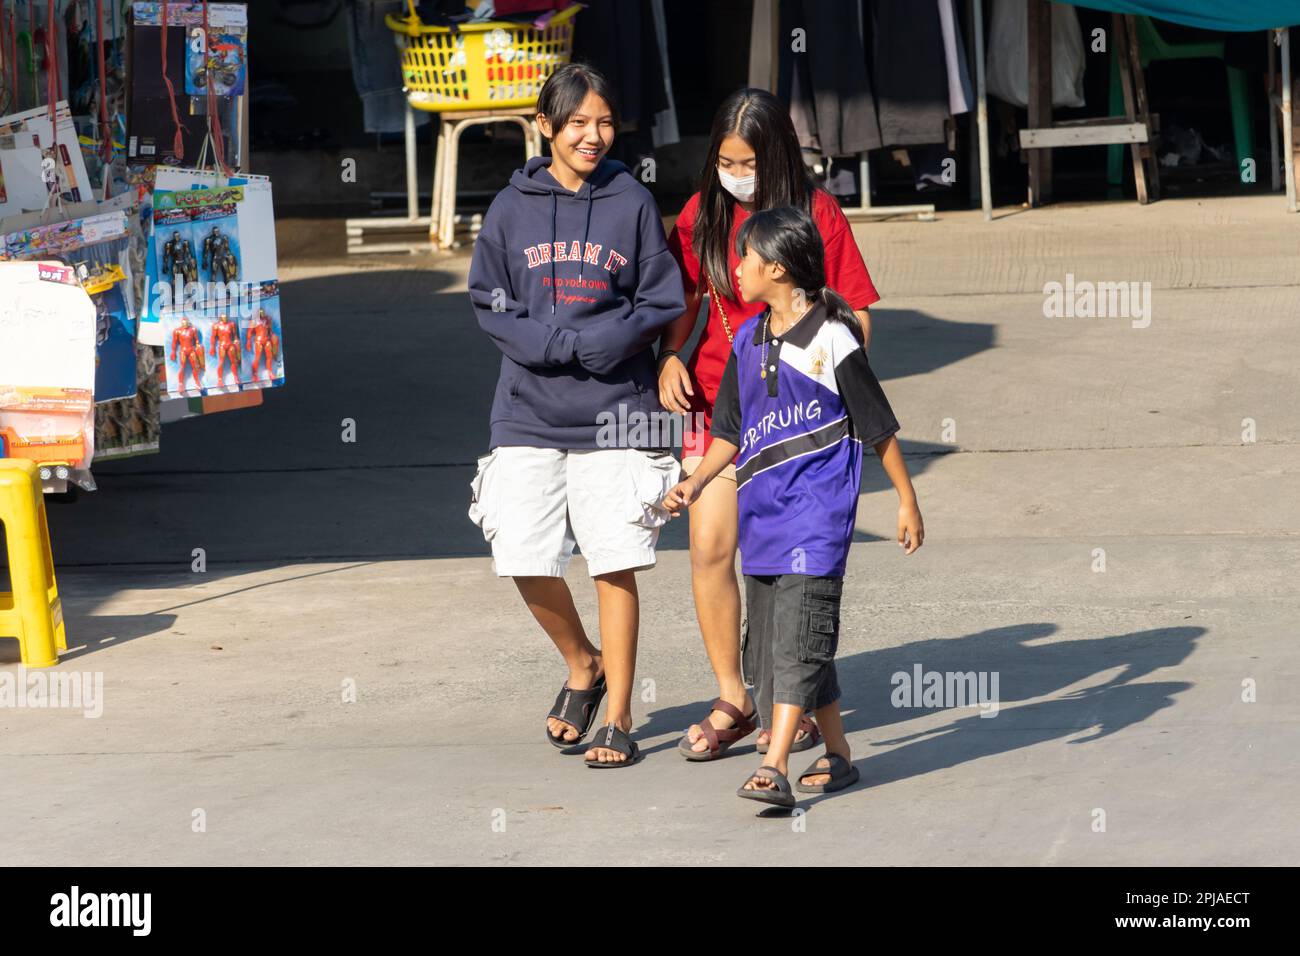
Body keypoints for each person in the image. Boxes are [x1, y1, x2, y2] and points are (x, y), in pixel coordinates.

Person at [661, 206, 924, 806]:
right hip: (763, 522)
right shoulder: (748, 341)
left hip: (818, 518)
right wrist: (697, 483)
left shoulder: (833, 338)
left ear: (776, 269)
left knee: (796, 641)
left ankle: (774, 763)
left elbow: (878, 425)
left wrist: (906, 501)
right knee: (785, 644)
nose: (737, 267)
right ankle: (839, 754)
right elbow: (728, 430)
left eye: (747, 257)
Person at [466, 63, 685, 768]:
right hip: (528, 408)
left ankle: (618, 713)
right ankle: (582, 662)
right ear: (546, 127)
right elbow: (488, 301)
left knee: (614, 561)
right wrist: (557, 344)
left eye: (605, 123)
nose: (594, 136)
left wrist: (600, 344)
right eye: (579, 123)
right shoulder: (510, 208)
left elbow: (660, 301)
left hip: (620, 408)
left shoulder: (631, 201)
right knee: (522, 553)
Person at [660, 88, 882, 759]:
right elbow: (689, 297)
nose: (736, 174)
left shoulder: (817, 214)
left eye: (748, 161)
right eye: (725, 161)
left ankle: (795, 697)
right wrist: (672, 355)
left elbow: (858, 315)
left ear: (777, 153)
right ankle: (736, 694)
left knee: (788, 570)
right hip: (720, 410)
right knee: (709, 548)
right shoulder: (701, 214)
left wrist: (815, 359)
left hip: (792, 423)